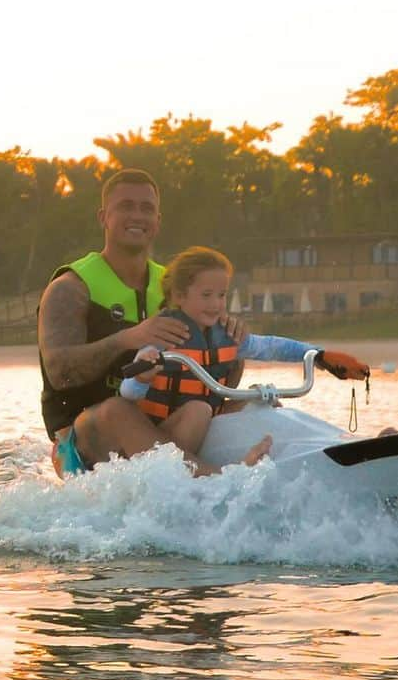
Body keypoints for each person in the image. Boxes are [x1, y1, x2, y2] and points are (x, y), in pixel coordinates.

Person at [38, 169, 368, 477]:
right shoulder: (70, 289)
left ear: (157, 220)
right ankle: (219, 481)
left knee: (246, 400)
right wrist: (128, 339)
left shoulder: (177, 287)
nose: (137, 215)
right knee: (116, 411)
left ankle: (338, 455)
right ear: (103, 218)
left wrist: (227, 335)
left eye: (146, 208)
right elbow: (60, 373)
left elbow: (222, 367)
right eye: (125, 206)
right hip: (85, 443)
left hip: (165, 426)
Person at [119, 245, 369, 457]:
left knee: (257, 401)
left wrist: (319, 356)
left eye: (222, 295)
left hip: (207, 426)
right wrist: (142, 376)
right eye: (206, 295)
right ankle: (187, 476)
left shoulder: (226, 334)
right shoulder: (164, 334)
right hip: (160, 439)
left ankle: (328, 447)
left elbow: (271, 347)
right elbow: (127, 392)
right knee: (199, 409)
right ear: (180, 296)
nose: (216, 304)